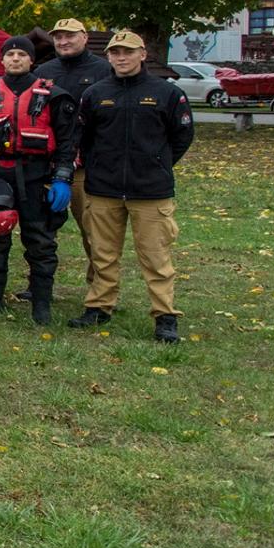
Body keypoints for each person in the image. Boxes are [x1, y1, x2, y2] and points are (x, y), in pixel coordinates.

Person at [69, 31, 193, 343]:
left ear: (142, 55)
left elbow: (181, 136)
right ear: (108, 57)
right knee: (103, 253)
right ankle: (99, 306)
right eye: (116, 53)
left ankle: (164, 315)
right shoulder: (96, 93)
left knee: (155, 256)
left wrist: (157, 163)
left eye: (128, 52)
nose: (121, 58)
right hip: (103, 188)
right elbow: (82, 137)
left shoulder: (167, 93)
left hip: (150, 190)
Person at [0, 36, 77, 324]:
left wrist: (62, 178)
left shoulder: (53, 95)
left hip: (36, 176)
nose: (15, 59)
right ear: (2, 60)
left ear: (31, 59)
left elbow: (68, 142)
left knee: (40, 241)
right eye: (10, 55)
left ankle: (41, 304)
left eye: (22, 54)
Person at [34, 17, 113, 290]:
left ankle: (100, 291)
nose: (63, 41)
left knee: (94, 231)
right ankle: (39, 285)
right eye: (58, 37)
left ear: (85, 37)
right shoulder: (43, 71)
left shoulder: (104, 71)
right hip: (47, 164)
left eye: (70, 36)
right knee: (41, 231)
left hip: (85, 167)